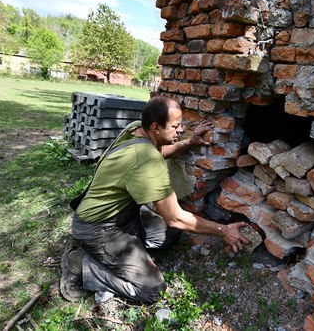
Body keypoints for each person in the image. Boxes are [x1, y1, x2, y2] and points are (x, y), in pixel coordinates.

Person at [61, 96, 250, 304]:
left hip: (122, 214)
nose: (181, 130)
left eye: (182, 124)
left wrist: (190, 141)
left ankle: (129, 253)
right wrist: (223, 231)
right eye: (176, 126)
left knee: (170, 235)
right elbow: (175, 217)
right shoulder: (147, 161)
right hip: (98, 228)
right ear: (155, 127)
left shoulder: (136, 129)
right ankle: (80, 263)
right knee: (152, 291)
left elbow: (162, 151)